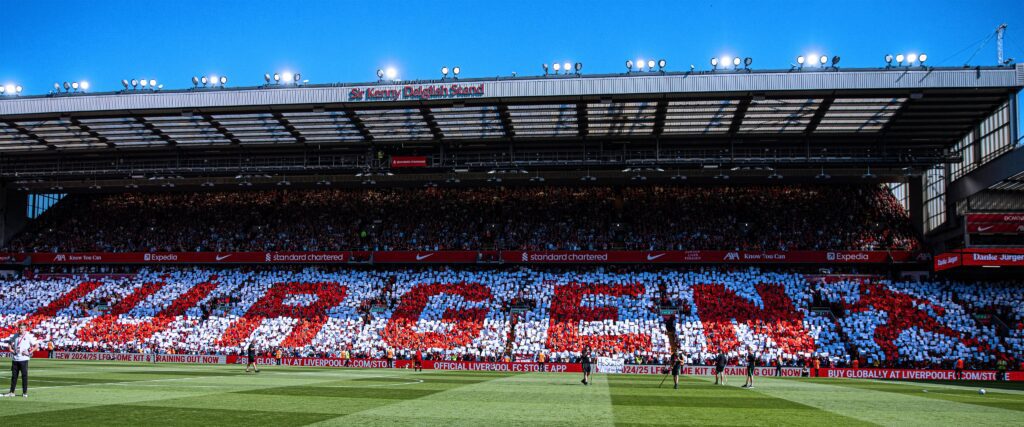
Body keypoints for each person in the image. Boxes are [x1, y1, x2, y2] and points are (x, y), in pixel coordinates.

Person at [3, 324, 39, 397]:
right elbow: (9, 342)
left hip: (24, 359)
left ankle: (24, 393)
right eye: (19, 328)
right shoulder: (15, 335)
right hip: (15, 359)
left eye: (22, 328)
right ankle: (12, 392)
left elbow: (36, 345)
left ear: (25, 329)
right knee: (14, 377)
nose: (20, 330)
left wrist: (29, 352)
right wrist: (10, 349)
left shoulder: (28, 336)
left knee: (24, 376)